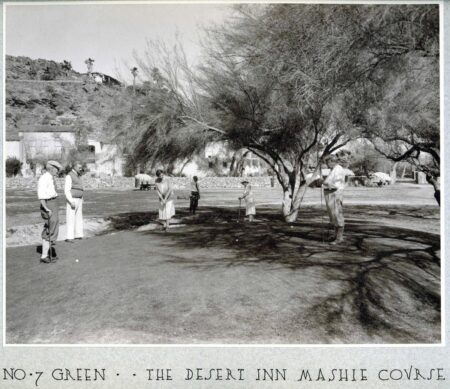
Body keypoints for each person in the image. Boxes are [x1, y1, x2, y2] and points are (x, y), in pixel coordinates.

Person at [37, 160, 62, 263]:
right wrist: (46, 208)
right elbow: (41, 195)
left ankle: (47, 253)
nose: (58, 171)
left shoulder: (50, 178)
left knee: (53, 228)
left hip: (53, 203)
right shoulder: (44, 178)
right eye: (57, 169)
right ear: (52, 168)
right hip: (48, 204)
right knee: (49, 230)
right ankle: (44, 256)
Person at [322, 152, 350, 244]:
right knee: (332, 216)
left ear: (331, 161)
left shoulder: (338, 169)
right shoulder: (333, 169)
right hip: (330, 193)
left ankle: (339, 238)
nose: (326, 164)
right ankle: (335, 236)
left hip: (335, 194)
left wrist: (324, 182)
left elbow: (335, 185)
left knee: (337, 214)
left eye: (327, 162)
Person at [64, 161, 84, 243]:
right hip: (73, 199)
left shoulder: (78, 176)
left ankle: (79, 235)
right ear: (74, 167)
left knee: (78, 218)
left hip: (79, 199)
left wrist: (82, 198)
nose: (81, 168)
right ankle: (70, 237)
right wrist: (71, 201)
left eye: (81, 167)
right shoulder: (69, 176)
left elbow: (80, 188)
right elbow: (66, 190)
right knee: (70, 218)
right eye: (79, 167)